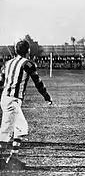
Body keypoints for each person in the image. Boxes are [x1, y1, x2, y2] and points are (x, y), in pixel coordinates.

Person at [0, 40, 52, 170]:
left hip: (6, 98)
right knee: (9, 130)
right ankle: (3, 158)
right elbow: (37, 81)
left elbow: (0, 81)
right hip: (13, 100)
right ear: (28, 51)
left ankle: (13, 157)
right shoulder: (27, 64)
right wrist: (46, 96)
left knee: (19, 128)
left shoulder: (7, 63)